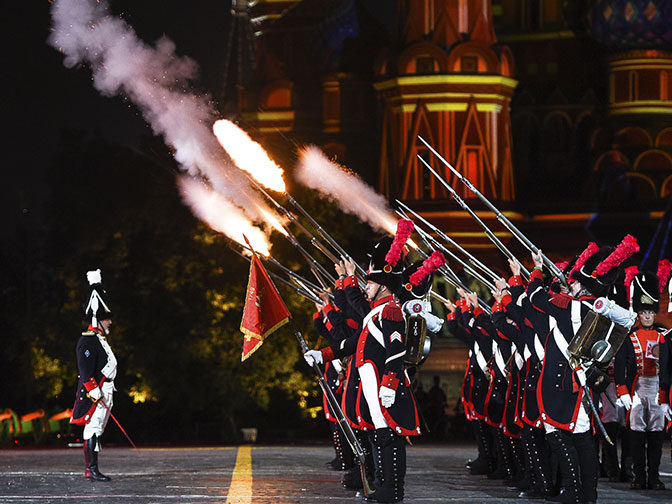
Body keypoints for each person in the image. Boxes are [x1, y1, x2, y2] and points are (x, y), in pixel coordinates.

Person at [615, 270, 668, 490]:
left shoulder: (664, 336)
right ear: (639, 314)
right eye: (643, 312)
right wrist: (623, 391)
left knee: (656, 437)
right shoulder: (630, 337)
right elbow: (621, 366)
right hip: (637, 390)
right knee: (636, 436)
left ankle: (654, 477)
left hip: (658, 390)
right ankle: (639, 477)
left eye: (650, 313)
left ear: (655, 314)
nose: (647, 316)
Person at [70, 269, 117, 481]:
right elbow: (85, 371)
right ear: (99, 319)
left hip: (105, 389)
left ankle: (93, 468)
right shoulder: (88, 340)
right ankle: (91, 469)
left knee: (98, 429)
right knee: (93, 428)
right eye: (107, 319)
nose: (110, 322)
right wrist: (95, 391)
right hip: (96, 392)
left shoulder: (99, 339)